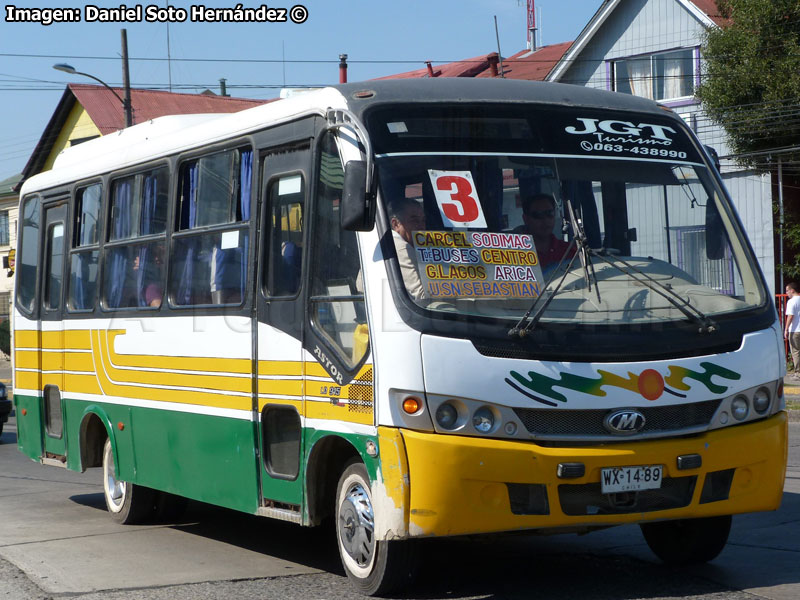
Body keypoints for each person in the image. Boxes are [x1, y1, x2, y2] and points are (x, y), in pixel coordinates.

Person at [517, 194, 575, 269]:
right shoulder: (515, 256)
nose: (545, 220)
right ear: (525, 219)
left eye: (549, 214)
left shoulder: (571, 251)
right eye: (538, 215)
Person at [390, 198, 427, 300]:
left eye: (423, 220)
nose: (421, 226)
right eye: (414, 220)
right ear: (396, 224)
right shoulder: (400, 246)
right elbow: (422, 295)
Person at [785, 282, 800, 377]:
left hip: (795, 330)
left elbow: (790, 316)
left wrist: (786, 329)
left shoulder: (791, 302)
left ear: (792, 290)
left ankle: (798, 373)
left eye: (787, 290)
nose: (786, 293)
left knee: (795, 351)